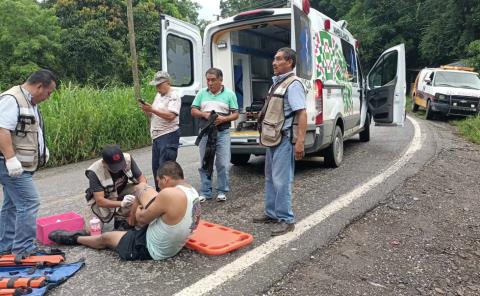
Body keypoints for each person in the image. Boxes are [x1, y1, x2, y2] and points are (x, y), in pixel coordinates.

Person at [49, 161, 201, 261]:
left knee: (106, 238)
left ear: (166, 179)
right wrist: (138, 201)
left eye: (159, 181)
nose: (159, 185)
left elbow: (142, 219)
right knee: (142, 188)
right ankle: (130, 225)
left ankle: (76, 238)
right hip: (171, 238)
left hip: (151, 247)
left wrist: (138, 207)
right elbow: (143, 189)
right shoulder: (191, 190)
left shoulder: (168, 194)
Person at [0, 69, 57, 256]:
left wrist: (42, 150)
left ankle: (5, 246)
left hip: (23, 165)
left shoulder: (30, 103)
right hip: (10, 166)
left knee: (11, 205)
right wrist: (10, 159)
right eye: (49, 92)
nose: (48, 97)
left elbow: (31, 131)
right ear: (39, 86)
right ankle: (24, 248)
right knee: (29, 202)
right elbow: (2, 130)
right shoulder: (12, 99)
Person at [253, 48, 307, 236]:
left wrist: (300, 141)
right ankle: (272, 213)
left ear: (290, 62)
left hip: (284, 139)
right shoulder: (277, 83)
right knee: (269, 178)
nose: (274, 63)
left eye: (278, 59)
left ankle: (286, 219)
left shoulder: (293, 84)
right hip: (273, 139)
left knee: (282, 181)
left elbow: (301, 113)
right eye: (274, 59)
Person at [191, 68, 239, 202]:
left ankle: (222, 191)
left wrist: (223, 119)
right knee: (205, 162)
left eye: (213, 80)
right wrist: (204, 114)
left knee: (223, 163)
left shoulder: (229, 94)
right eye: (208, 80)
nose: (210, 83)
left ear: (220, 80)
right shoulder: (202, 93)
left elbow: (235, 114)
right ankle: (205, 192)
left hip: (222, 133)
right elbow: (193, 110)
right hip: (205, 132)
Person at [85, 144, 147, 230]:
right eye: (114, 166)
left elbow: (141, 178)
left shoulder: (127, 158)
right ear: (104, 163)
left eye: (120, 164)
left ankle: (120, 218)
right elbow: (100, 201)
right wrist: (121, 204)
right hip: (104, 198)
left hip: (121, 191)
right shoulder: (94, 171)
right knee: (91, 229)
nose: (118, 169)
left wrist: (141, 192)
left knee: (145, 191)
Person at [140, 71, 181, 191]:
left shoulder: (174, 96)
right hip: (157, 137)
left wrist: (152, 109)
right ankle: (160, 195)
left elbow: (170, 116)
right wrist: (147, 109)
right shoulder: (159, 95)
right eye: (156, 85)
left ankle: (169, 196)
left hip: (168, 135)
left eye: (159, 85)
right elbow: (154, 113)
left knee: (166, 169)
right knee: (157, 168)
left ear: (167, 83)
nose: (157, 88)